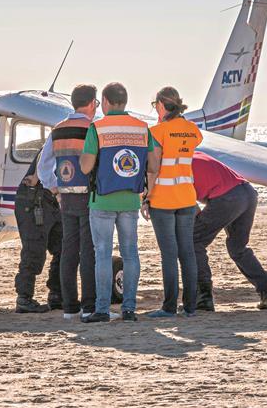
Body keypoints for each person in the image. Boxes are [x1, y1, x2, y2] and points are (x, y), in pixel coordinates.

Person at [79, 82, 159, 322]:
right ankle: (129, 308)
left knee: (102, 254)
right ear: (124, 101)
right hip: (130, 199)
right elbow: (154, 165)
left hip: (102, 199)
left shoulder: (98, 128)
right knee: (131, 254)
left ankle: (102, 309)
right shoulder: (142, 128)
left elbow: (85, 166)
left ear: (104, 101)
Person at [37, 84, 99, 320]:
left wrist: (55, 188)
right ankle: (89, 306)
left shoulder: (58, 129)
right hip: (89, 196)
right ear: (92, 103)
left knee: (68, 250)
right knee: (88, 251)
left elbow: (43, 166)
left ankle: (70, 308)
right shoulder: (92, 128)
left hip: (66, 197)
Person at [191, 151, 267, 311]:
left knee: (194, 242)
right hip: (247, 192)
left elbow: (193, 207)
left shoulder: (177, 166)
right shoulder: (197, 154)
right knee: (238, 248)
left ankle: (204, 297)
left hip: (228, 198)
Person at [142, 87, 203, 318]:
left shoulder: (157, 131)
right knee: (186, 252)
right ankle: (190, 307)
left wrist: (146, 197)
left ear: (160, 105)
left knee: (169, 254)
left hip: (163, 199)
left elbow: (153, 168)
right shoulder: (192, 130)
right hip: (187, 196)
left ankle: (169, 307)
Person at [13, 152, 62, 313]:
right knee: (34, 249)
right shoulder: (60, 135)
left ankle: (56, 294)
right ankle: (24, 298)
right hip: (35, 199)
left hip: (51, 200)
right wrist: (36, 176)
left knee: (63, 247)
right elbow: (44, 158)